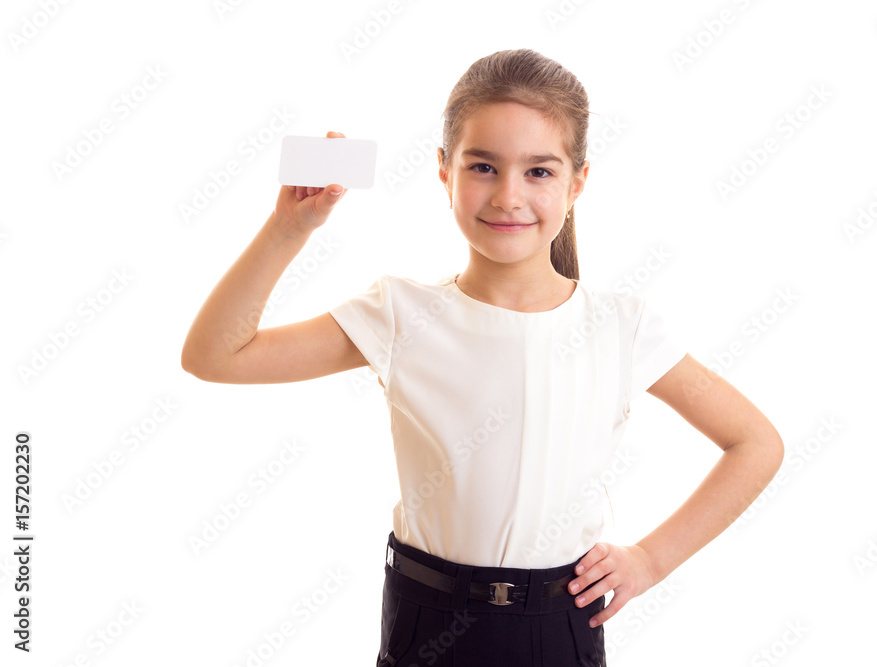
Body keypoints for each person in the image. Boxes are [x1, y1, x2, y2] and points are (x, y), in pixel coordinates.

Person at [181, 48, 784, 666]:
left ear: (577, 183)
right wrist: (288, 229)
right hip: (426, 622)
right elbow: (215, 356)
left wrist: (650, 560)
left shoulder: (620, 328)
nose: (508, 196)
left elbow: (755, 443)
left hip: (559, 627)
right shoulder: (399, 314)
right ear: (444, 171)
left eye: (539, 171)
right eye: (484, 166)